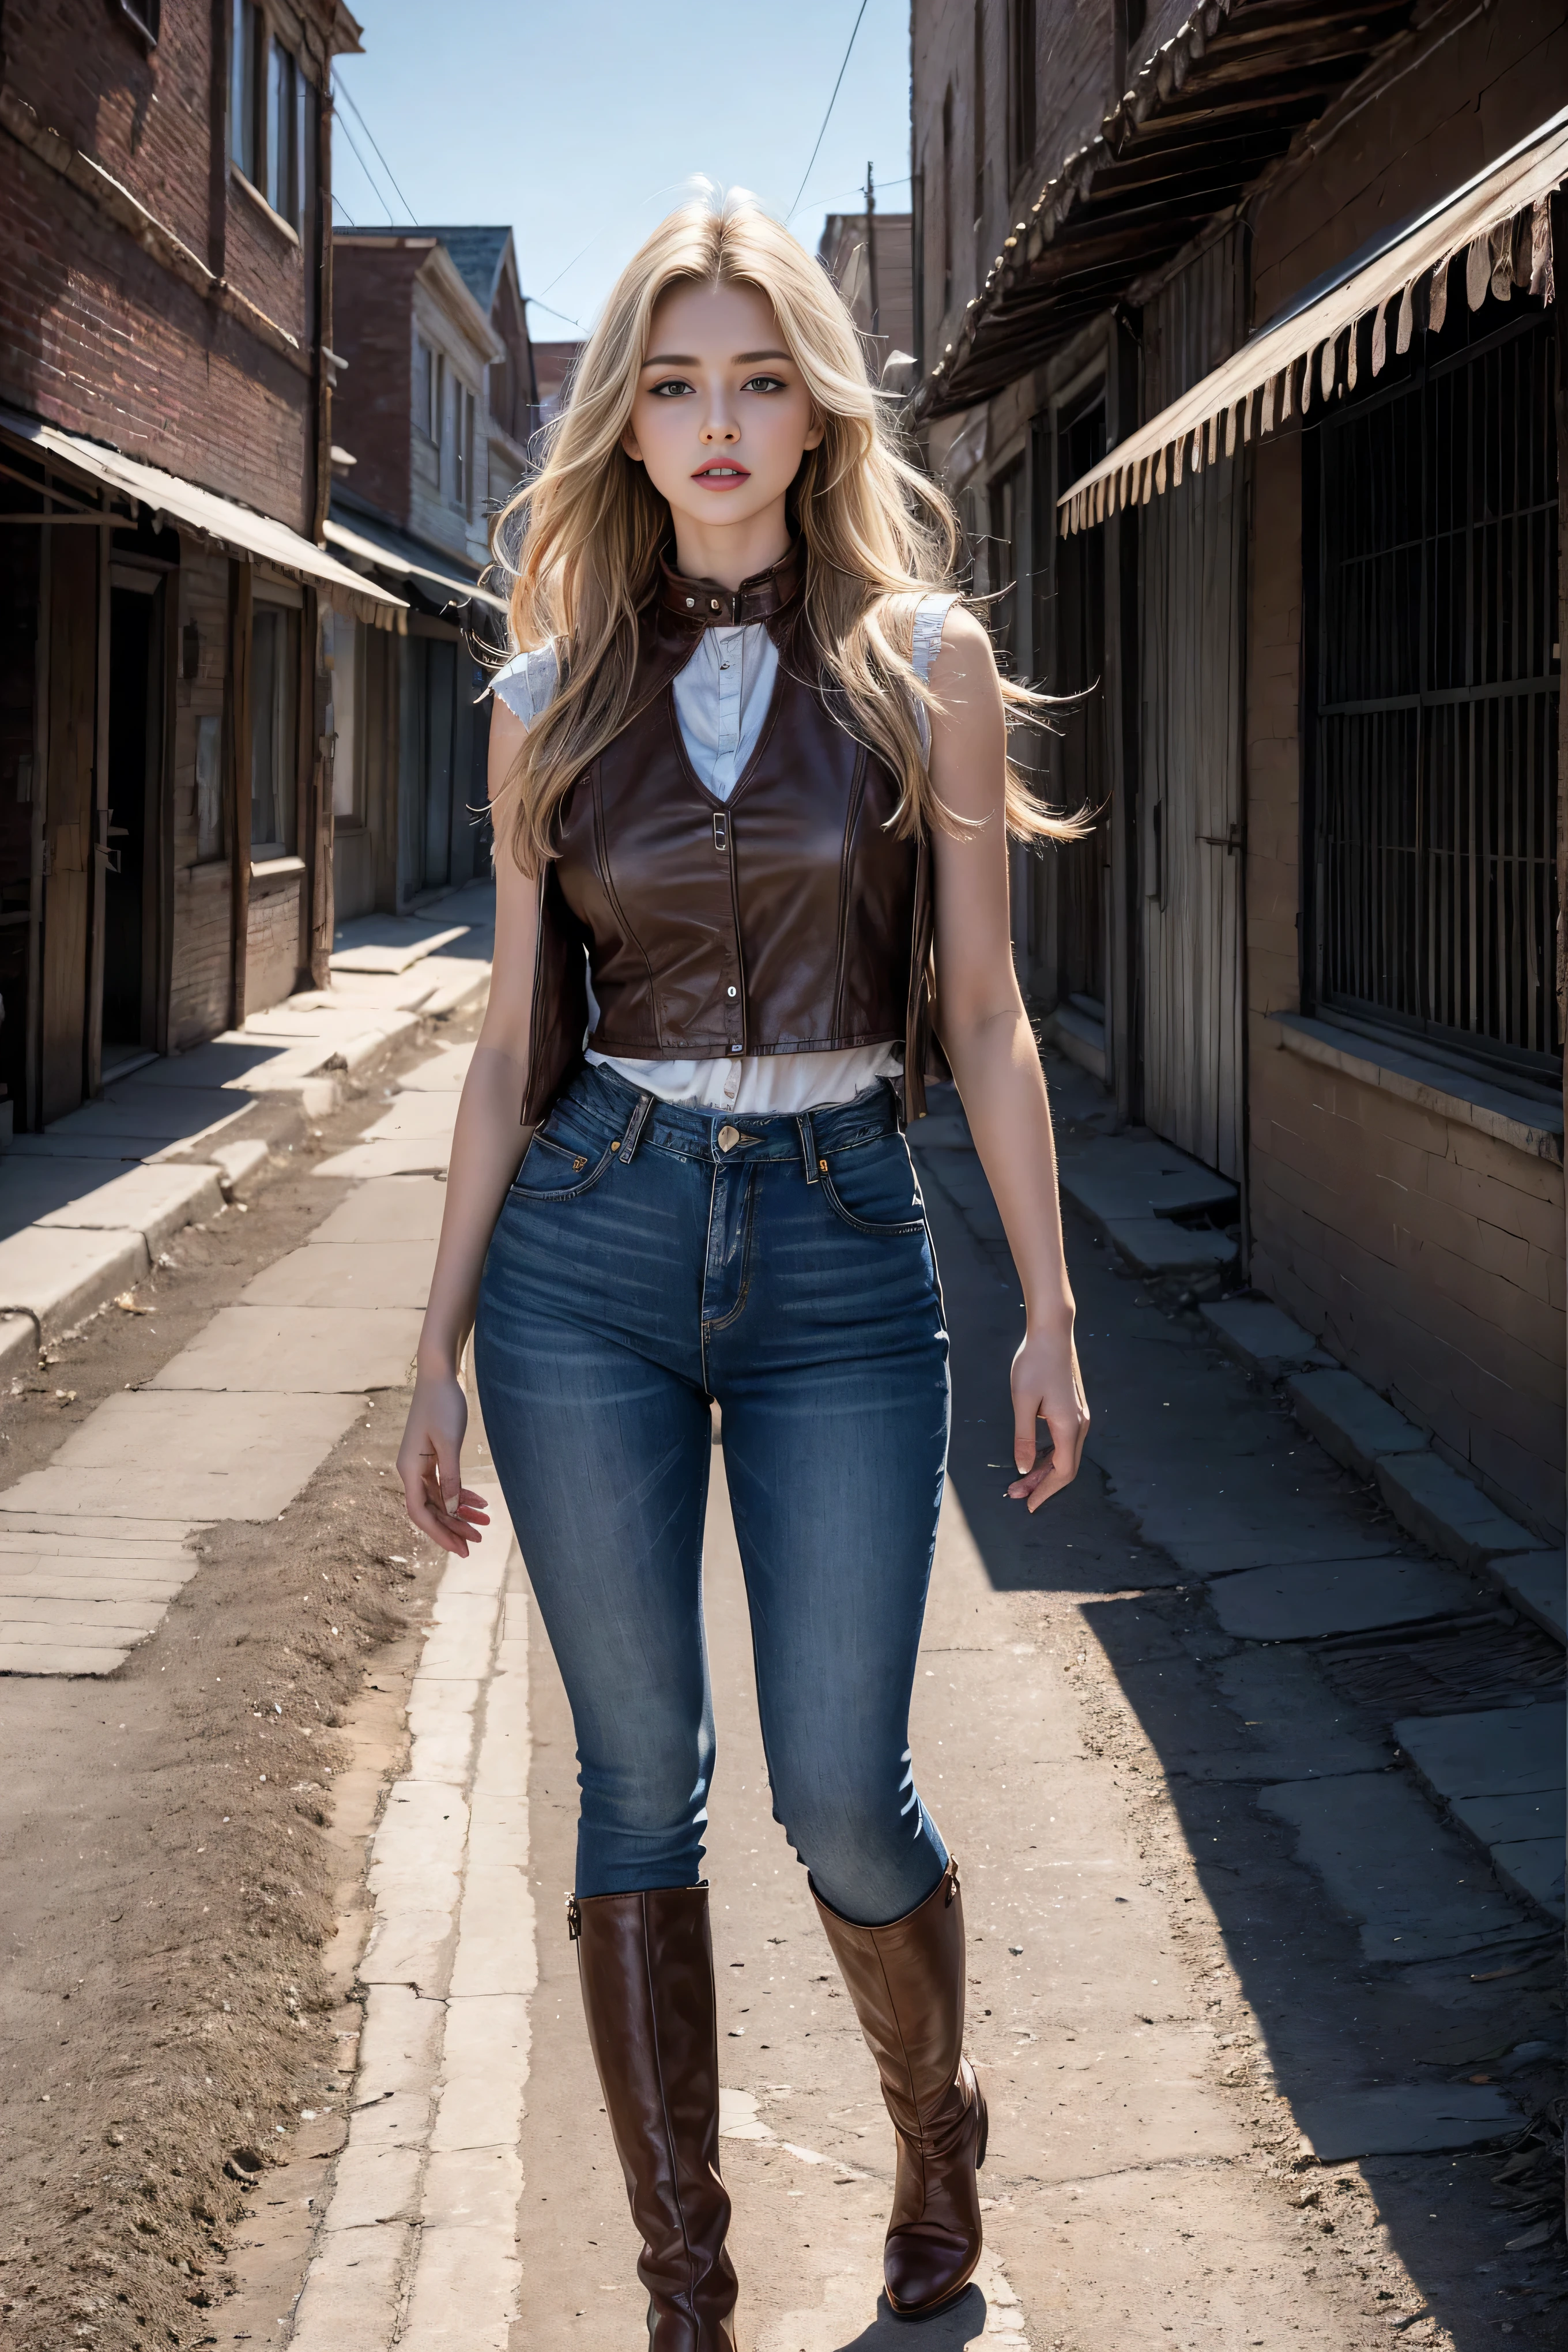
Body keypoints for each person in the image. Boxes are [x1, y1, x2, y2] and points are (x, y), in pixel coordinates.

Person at [397, 187, 1089, 2349]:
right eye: (674, 382)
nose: (714, 422)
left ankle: (931, 2133)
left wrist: (1053, 1305)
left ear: (813, 411)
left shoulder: (924, 668)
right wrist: (429, 1350)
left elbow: (977, 1014)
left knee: (837, 1789)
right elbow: (513, 1040)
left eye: (756, 379)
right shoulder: (541, 696)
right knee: (632, 1777)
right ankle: (684, 2288)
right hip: (588, 1251)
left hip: (843, 1245)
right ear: (623, 420)